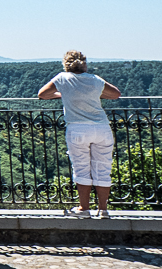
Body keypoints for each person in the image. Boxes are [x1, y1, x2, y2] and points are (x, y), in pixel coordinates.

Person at [38, 50, 121, 219]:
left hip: (78, 129)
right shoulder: (95, 79)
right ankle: (103, 210)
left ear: (66, 64)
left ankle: (84, 209)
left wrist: (63, 94)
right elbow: (115, 94)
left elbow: (42, 94)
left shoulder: (62, 78)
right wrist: (94, 94)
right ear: (84, 64)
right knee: (103, 168)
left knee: (82, 168)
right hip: (101, 128)